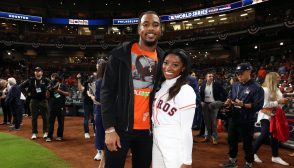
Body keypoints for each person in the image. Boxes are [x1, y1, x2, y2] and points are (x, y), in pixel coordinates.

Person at [101, 11, 164, 168]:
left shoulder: (164, 59)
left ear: (160, 30)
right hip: (120, 129)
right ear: (138, 29)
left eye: (155, 25)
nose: (151, 29)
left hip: (148, 132)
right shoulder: (119, 55)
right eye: (146, 24)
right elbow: (107, 92)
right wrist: (109, 129)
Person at [151, 49, 196, 168]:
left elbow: (186, 129)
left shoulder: (186, 90)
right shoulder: (162, 86)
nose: (168, 68)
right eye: (166, 63)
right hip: (157, 137)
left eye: (175, 65)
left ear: (183, 68)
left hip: (174, 140)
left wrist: (187, 160)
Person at [220, 63, 264, 168]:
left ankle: (248, 163)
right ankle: (232, 161)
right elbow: (230, 97)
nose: (239, 76)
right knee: (231, 140)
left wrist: (243, 104)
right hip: (233, 118)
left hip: (247, 120)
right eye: (237, 74)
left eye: (241, 73)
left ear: (249, 72)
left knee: (247, 143)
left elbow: (258, 106)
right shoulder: (235, 85)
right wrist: (228, 102)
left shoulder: (257, 88)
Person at [253, 72, 289, 166]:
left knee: (275, 135)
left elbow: (279, 104)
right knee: (265, 133)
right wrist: (278, 102)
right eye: (277, 77)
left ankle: (275, 156)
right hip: (265, 115)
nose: (279, 78)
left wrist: (283, 102)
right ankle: (252, 153)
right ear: (272, 78)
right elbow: (263, 105)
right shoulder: (264, 89)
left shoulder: (277, 89)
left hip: (275, 115)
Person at [19, 67, 51, 140]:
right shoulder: (30, 80)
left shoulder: (46, 80)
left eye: (39, 71)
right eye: (36, 71)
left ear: (42, 72)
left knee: (45, 117)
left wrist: (48, 93)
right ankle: (34, 133)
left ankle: (46, 132)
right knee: (34, 118)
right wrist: (27, 93)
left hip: (44, 100)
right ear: (34, 72)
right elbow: (21, 86)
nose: (37, 72)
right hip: (34, 101)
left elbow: (51, 87)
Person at [87, 59, 107, 168]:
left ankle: (102, 164)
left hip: (100, 111)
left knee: (101, 137)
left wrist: (90, 95)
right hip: (109, 112)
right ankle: (102, 163)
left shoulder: (99, 81)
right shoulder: (110, 80)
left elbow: (98, 99)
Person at [200, 72, 227, 144]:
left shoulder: (217, 84)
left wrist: (220, 101)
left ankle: (214, 138)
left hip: (213, 105)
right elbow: (201, 94)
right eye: (209, 76)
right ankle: (207, 137)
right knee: (206, 121)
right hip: (205, 104)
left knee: (213, 122)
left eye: (212, 76)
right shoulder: (203, 85)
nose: (211, 77)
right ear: (206, 77)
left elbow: (224, 93)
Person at [46, 73, 70, 142]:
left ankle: (59, 136)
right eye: (53, 78)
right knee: (51, 122)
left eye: (55, 78)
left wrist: (59, 91)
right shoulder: (50, 86)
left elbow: (68, 93)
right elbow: (47, 97)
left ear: (58, 79)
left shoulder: (62, 85)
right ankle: (49, 136)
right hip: (52, 106)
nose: (54, 80)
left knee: (61, 122)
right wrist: (48, 90)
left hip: (61, 106)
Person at [77, 72, 95, 139]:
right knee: (86, 118)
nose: (92, 79)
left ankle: (95, 131)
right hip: (86, 103)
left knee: (94, 118)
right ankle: (86, 132)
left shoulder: (95, 84)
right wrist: (78, 79)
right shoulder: (86, 83)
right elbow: (80, 88)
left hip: (93, 102)